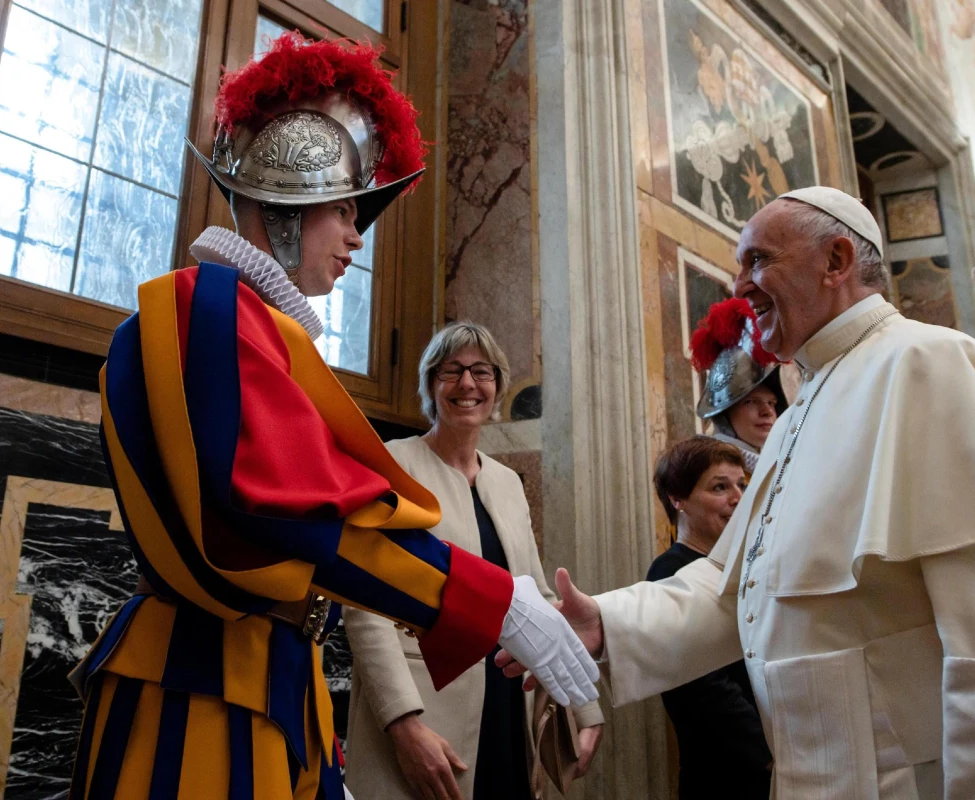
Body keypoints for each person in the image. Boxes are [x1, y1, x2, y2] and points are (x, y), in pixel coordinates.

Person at [67, 33, 595, 800]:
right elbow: (281, 510)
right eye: (346, 210)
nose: (356, 236)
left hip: (261, 684)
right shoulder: (206, 308)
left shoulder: (248, 323)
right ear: (289, 193)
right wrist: (493, 601)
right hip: (201, 692)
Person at [499, 186, 975, 798]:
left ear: (836, 260)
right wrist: (606, 625)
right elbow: (740, 593)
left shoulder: (931, 366)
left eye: (758, 259)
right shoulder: (796, 419)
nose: (739, 285)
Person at [344, 322, 604, 800]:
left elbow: (537, 598)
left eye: (481, 372)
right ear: (430, 384)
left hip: (505, 706)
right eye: (452, 371)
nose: (467, 384)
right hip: (424, 708)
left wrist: (583, 703)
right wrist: (403, 724)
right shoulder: (391, 463)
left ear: (498, 387)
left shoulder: (507, 482)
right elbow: (364, 604)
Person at [647, 436, 770, 799]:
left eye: (741, 485)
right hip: (726, 774)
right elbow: (699, 687)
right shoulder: (669, 573)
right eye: (720, 487)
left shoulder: (745, 564)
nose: (738, 497)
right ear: (678, 499)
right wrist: (771, 753)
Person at [689, 298, 787, 472]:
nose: (768, 412)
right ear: (724, 413)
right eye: (750, 402)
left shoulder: (767, 468)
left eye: (771, 403)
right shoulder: (703, 469)